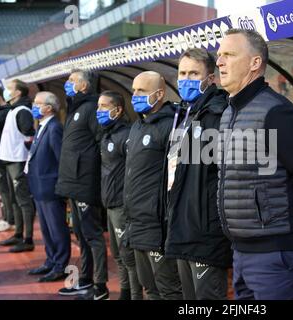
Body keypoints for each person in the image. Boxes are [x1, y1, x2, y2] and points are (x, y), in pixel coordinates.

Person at [216, 29, 293, 300]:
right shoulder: (228, 113)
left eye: (229, 55)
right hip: (242, 250)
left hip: (277, 255)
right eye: (219, 55)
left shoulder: (275, 111)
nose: (220, 62)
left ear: (255, 63)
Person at [165, 48, 232, 300]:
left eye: (194, 73)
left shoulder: (218, 115)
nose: (185, 78)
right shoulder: (188, 114)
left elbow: (227, 176)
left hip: (206, 235)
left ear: (211, 78)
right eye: (182, 73)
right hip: (183, 229)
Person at [124, 71, 181, 300]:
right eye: (134, 91)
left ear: (159, 94)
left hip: (156, 225)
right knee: (149, 287)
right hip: (135, 222)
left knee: (168, 288)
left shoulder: (171, 127)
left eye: (141, 91)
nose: (135, 95)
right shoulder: (138, 125)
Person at [55, 70, 109, 300]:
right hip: (72, 183)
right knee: (80, 234)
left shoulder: (90, 108)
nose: (67, 84)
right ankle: (85, 280)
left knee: (93, 235)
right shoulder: (75, 107)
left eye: (72, 80)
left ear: (85, 86)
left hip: (84, 183)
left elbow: (101, 144)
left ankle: (100, 285)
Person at [97, 90, 143, 300]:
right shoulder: (107, 132)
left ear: (118, 109)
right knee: (117, 254)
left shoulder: (126, 134)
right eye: (98, 106)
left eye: (104, 106)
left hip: (122, 205)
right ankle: (124, 291)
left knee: (128, 256)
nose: (99, 111)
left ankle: (134, 295)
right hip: (110, 203)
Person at [26, 91, 71, 282]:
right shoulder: (42, 126)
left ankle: (60, 265)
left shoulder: (54, 128)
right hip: (39, 188)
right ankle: (51, 260)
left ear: (49, 108)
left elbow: (61, 159)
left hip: (50, 188)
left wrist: (61, 186)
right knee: (46, 229)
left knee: (57, 229)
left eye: (38, 103)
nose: (34, 106)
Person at [0, 79, 36, 253]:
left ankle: (28, 238)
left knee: (23, 200)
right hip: (8, 159)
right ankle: (18, 233)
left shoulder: (22, 111)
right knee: (14, 200)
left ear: (18, 92)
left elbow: (29, 136)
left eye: (10, 88)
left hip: (17, 161)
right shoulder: (13, 110)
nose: (6, 91)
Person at [0, 86, 15, 233]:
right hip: (2, 158)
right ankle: (7, 218)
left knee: (5, 190)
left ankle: (9, 220)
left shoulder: (5, 114)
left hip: (4, 159)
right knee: (2, 190)